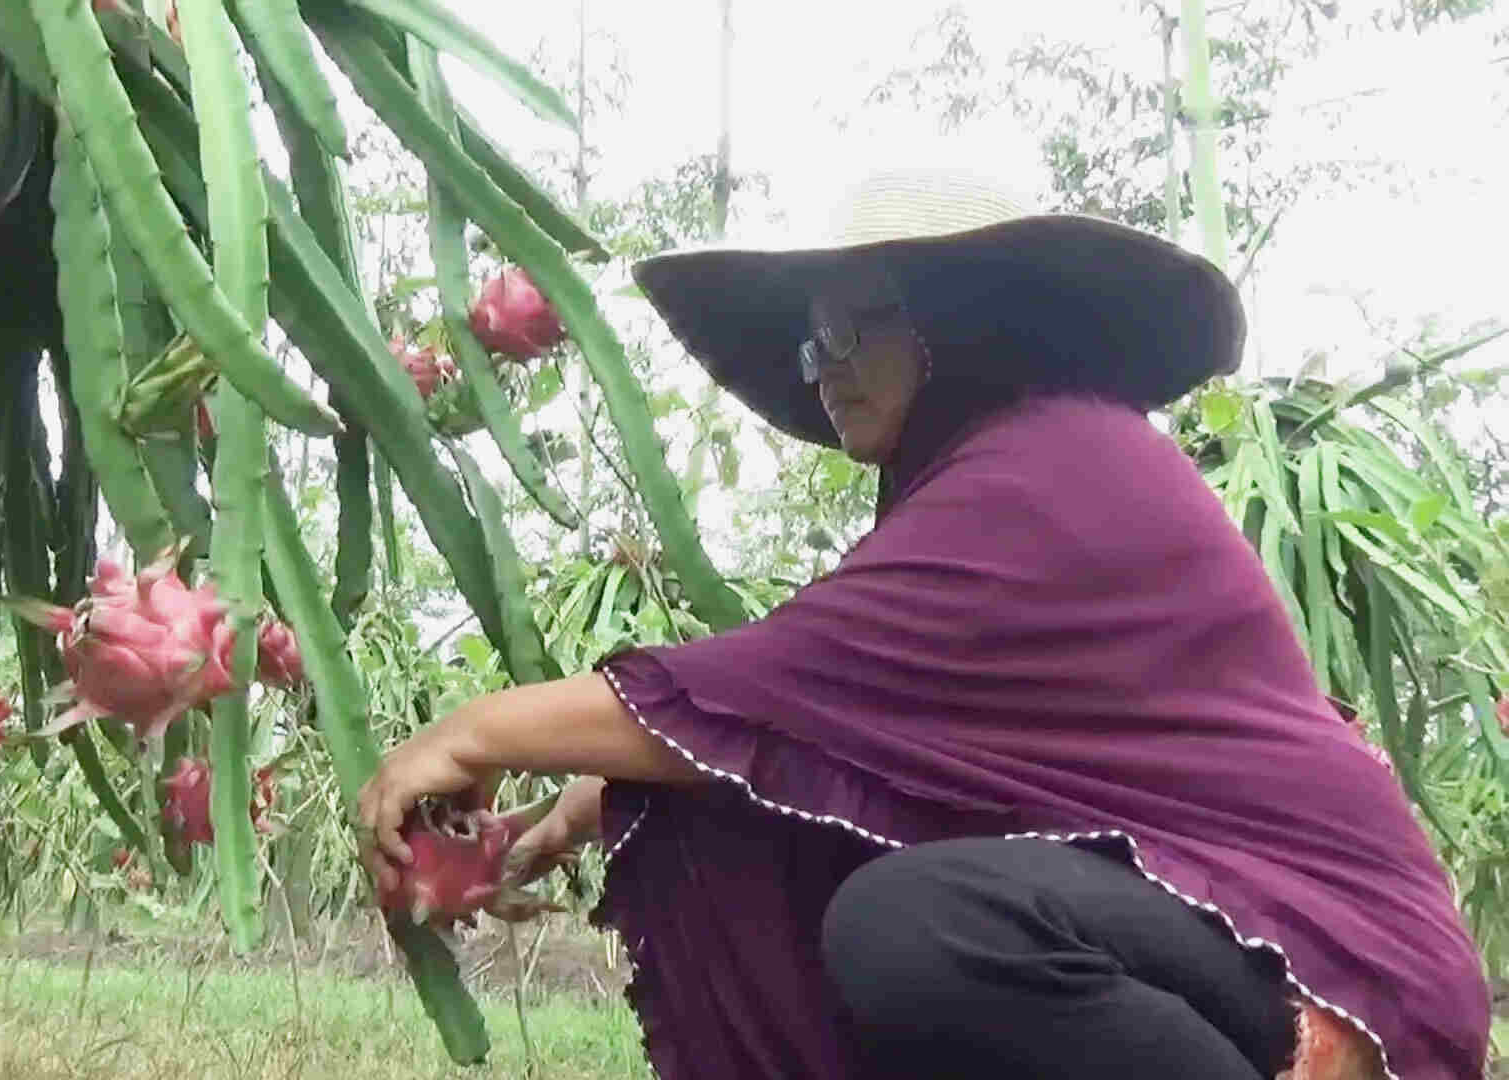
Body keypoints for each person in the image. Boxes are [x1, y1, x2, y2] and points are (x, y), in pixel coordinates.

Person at [356, 169, 1490, 1079]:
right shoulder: (986, 474)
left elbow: (781, 685)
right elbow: (825, 741)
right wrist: (567, 818)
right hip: (1207, 931)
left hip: (1333, 966)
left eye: (856, 331)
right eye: (813, 346)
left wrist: (466, 733)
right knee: (746, 827)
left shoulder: (1052, 467)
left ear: (952, 318)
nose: (826, 371)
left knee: (929, 926)